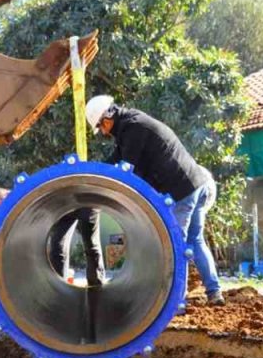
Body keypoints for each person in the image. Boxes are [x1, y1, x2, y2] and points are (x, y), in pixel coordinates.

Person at [84, 95, 225, 305]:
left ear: (107, 118)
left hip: (183, 189)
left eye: (101, 127)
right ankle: (214, 292)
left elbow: (126, 171)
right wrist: (93, 173)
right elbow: (115, 160)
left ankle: (176, 301)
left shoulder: (133, 129)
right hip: (196, 183)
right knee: (194, 241)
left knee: (175, 246)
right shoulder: (131, 126)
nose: (103, 133)